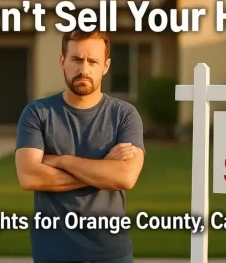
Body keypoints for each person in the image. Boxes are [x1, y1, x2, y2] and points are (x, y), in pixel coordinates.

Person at [14, 28, 145, 263]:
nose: (84, 69)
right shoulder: (37, 113)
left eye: (93, 61)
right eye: (76, 59)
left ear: (105, 66)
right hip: (52, 253)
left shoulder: (124, 115)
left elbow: (125, 177)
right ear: (62, 61)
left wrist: (61, 161)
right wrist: (104, 168)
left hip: (111, 253)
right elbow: (30, 177)